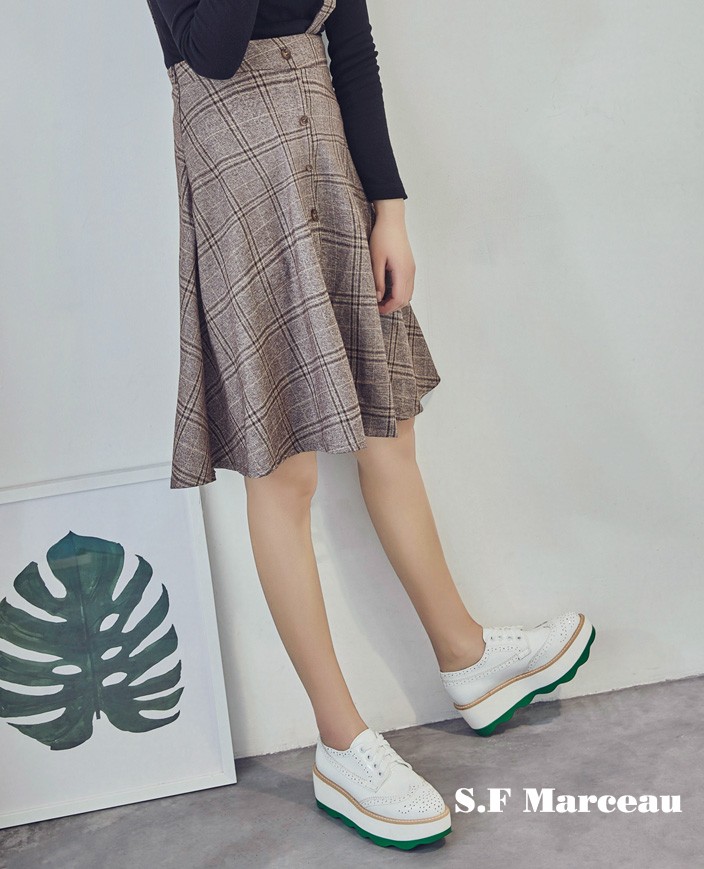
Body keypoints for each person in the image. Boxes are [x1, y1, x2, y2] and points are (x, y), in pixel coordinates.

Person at [146, 0, 596, 850]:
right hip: (242, 182)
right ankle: (341, 741)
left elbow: (352, 53)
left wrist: (390, 206)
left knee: (390, 429)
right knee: (284, 471)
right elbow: (211, 51)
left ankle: (466, 656)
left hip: (328, 163)